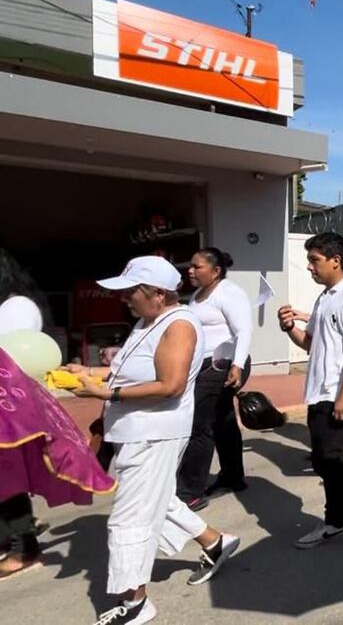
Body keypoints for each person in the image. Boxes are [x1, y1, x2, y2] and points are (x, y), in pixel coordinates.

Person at [68, 256, 240, 624]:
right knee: (157, 501)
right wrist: (90, 372)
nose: (124, 298)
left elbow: (170, 384)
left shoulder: (178, 325)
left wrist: (106, 395)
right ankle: (215, 542)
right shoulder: (150, 321)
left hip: (154, 433)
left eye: (132, 291)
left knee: (128, 520)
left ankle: (136, 604)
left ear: (158, 293)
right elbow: (131, 370)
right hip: (137, 431)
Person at [278, 234, 343, 551]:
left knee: (325, 460)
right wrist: (290, 329)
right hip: (318, 390)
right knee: (329, 457)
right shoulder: (325, 298)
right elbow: (310, 344)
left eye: (315, 260)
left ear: (335, 260)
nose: (310, 266)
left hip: (340, 393)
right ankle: (335, 521)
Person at [176, 248, 253, 512]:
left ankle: (189, 492)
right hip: (206, 366)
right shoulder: (198, 295)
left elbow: (244, 329)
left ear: (215, 270)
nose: (191, 270)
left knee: (200, 426)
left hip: (224, 365)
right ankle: (233, 477)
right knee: (223, 421)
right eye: (191, 266)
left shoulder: (228, 292)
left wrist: (237, 366)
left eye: (197, 267)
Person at [0, 247, 52, 579]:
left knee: (7, 477)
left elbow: (14, 360)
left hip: (10, 406)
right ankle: (11, 536)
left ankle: (24, 546)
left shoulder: (17, 307)